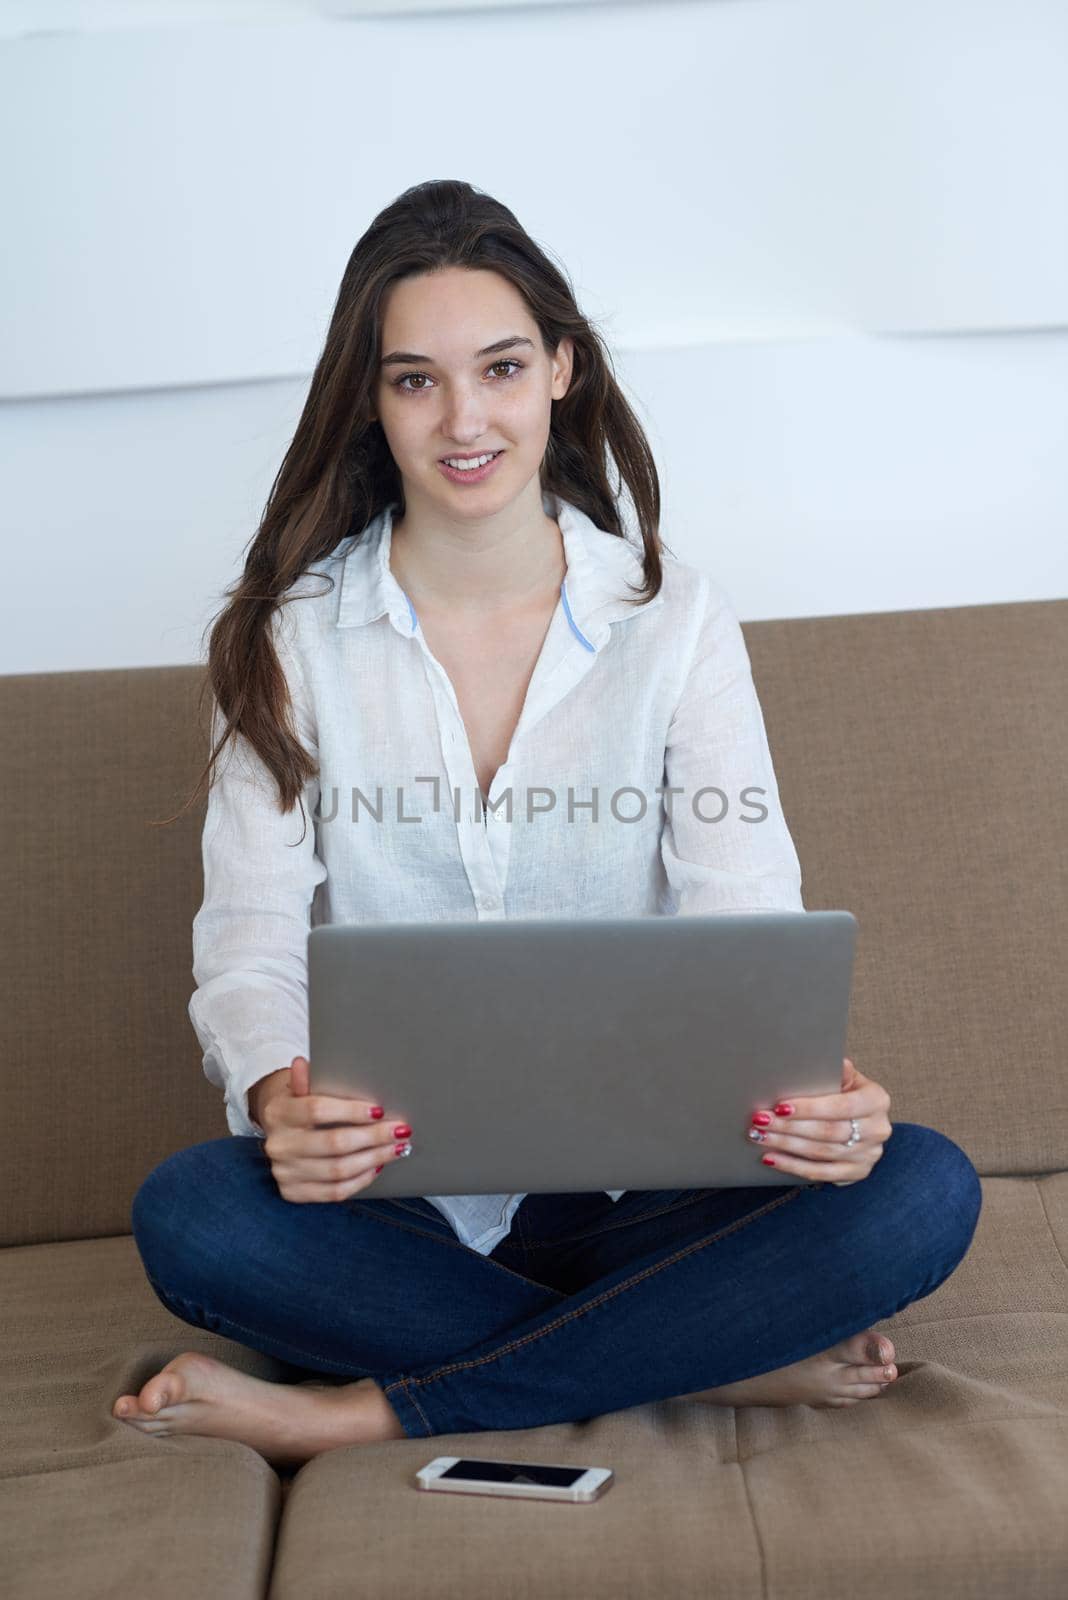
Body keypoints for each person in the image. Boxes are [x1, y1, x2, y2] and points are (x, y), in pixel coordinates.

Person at [117, 180, 982, 1469]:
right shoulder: (285, 640)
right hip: (396, 1202)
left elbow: (745, 921)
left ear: (563, 370)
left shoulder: (674, 618)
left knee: (921, 1188)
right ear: (369, 399)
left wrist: (815, 1102)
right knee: (194, 1214)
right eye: (416, 381)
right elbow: (248, 942)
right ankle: (716, 1359)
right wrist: (277, 1091)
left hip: (655, 1193)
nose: (466, 421)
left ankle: (365, 1409)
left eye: (502, 368)